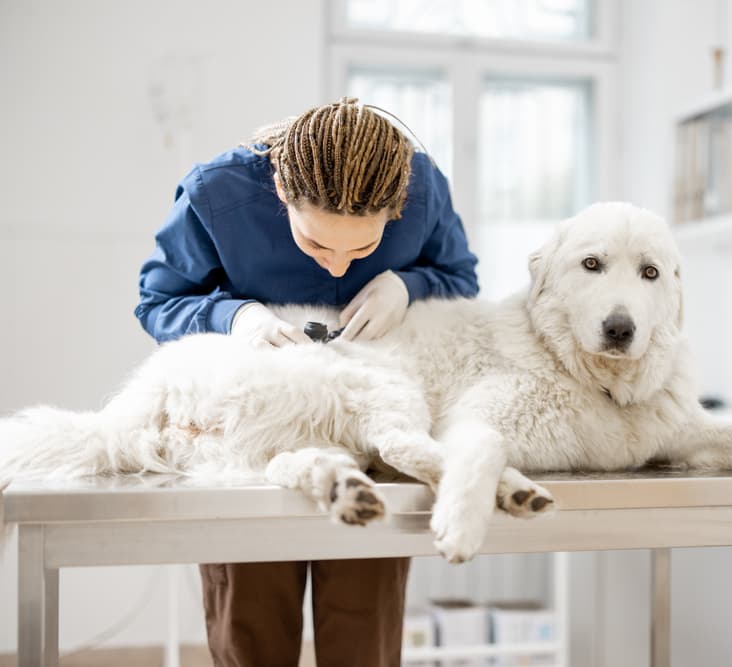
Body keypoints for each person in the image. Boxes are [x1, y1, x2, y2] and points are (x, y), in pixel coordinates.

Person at [134, 97, 479, 667]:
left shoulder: (423, 187)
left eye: (364, 248)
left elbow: (459, 277)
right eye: (316, 244)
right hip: (252, 433)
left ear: (398, 209)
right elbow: (159, 299)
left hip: (369, 427)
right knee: (252, 629)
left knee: (363, 632)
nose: (339, 268)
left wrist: (406, 285)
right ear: (279, 192)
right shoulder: (217, 194)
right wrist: (234, 316)